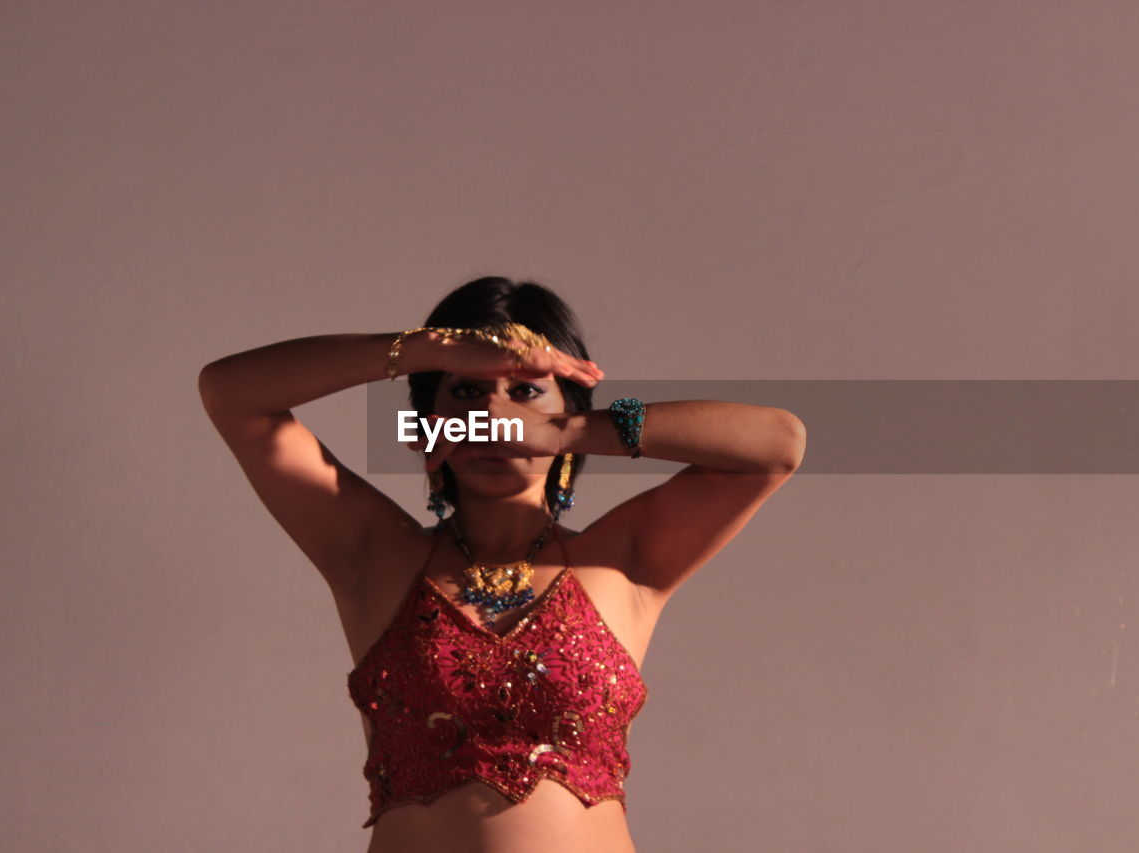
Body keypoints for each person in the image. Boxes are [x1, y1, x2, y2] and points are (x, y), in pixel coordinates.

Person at [197, 277, 806, 853]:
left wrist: (564, 430)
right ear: (429, 431)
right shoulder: (374, 556)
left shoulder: (624, 561)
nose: (495, 414)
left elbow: (778, 444)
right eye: (465, 391)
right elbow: (233, 394)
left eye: (524, 391)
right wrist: (427, 349)